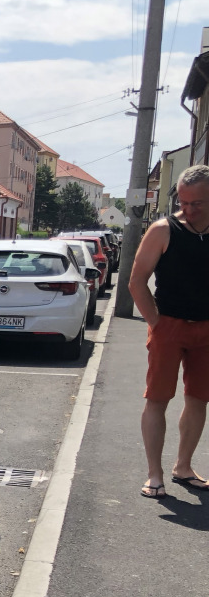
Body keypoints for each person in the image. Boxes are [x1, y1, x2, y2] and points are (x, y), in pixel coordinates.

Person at [129, 164, 209, 498]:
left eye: (197, 203)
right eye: (185, 202)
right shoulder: (164, 230)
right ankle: (155, 474)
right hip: (169, 327)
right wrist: (156, 324)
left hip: (206, 329)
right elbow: (136, 282)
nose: (188, 210)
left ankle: (183, 467)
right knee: (158, 399)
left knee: (198, 399)